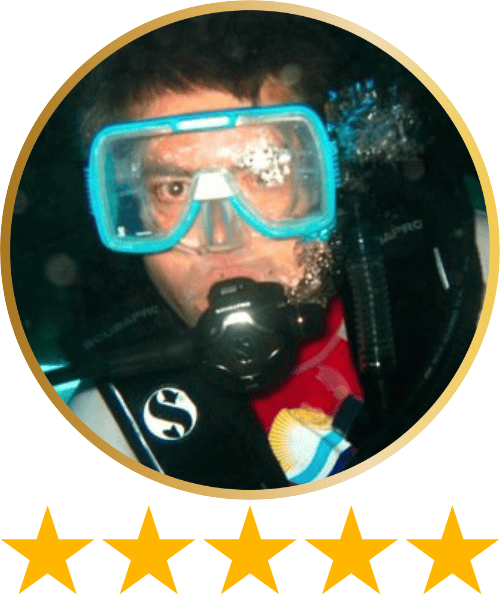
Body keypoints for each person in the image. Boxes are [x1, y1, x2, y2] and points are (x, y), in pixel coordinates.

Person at [58, 12, 484, 489]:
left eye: (264, 173)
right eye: (173, 189)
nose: (220, 238)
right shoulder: (108, 438)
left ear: (330, 178)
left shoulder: (474, 276)